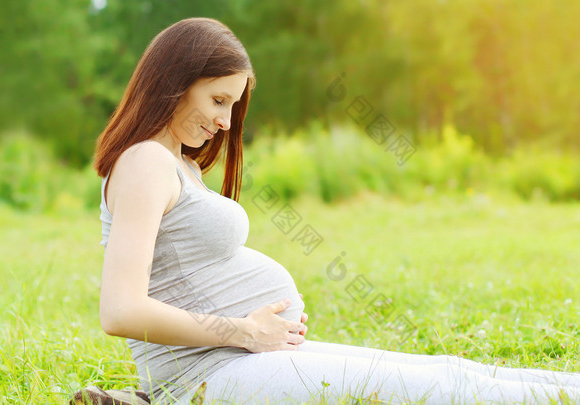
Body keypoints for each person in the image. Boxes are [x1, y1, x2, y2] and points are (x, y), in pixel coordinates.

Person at [92, 17, 580, 404]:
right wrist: (244, 331)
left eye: (233, 106)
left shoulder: (176, 164)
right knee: (444, 393)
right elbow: (120, 310)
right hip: (211, 375)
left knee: (449, 372)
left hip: (235, 361)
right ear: (176, 81)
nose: (224, 122)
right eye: (218, 100)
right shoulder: (145, 163)